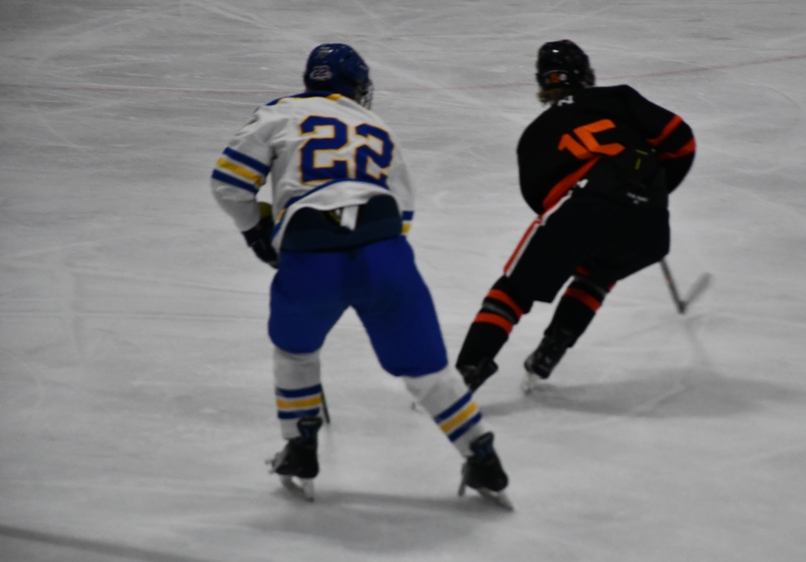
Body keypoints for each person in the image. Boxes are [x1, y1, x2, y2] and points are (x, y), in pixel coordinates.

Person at [210, 44, 509, 507]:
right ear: (355, 87)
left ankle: (300, 447)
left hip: (310, 253)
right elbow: (403, 210)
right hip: (383, 248)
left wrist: (257, 233)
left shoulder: (279, 112)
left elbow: (229, 182)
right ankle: (481, 454)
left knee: (295, 353)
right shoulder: (376, 124)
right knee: (428, 371)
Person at [455, 40, 696, 394]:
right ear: (585, 74)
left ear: (544, 84)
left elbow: (541, 200)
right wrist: (650, 189)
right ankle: (552, 348)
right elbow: (681, 141)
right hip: (651, 223)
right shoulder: (617, 98)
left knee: (515, 289)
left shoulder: (534, 135)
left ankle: (466, 371)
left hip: (584, 205)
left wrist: (586, 218)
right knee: (599, 273)